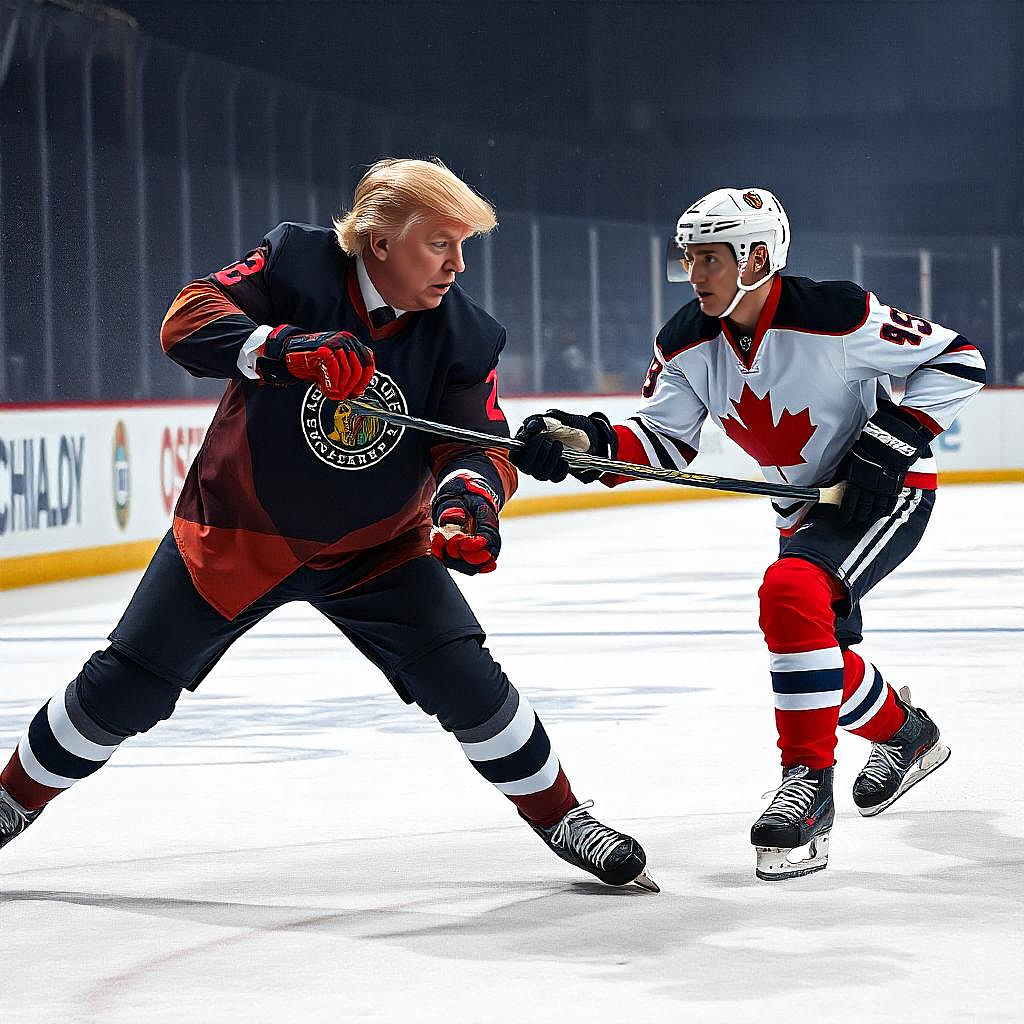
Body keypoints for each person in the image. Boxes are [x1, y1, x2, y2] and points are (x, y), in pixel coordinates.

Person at [0, 158, 657, 893]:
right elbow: (186, 321)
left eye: (464, 245)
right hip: (239, 530)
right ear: (379, 239)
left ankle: (564, 816)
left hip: (375, 548)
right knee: (126, 690)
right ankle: (8, 802)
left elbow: (476, 444)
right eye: (440, 242)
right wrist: (285, 348)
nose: (457, 264)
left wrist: (468, 503)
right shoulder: (296, 262)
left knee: (468, 681)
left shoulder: (466, 334)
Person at [510, 187, 986, 881]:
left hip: (882, 496)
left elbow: (958, 360)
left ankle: (807, 792)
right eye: (689, 259)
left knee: (789, 594)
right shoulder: (684, 340)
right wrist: (586, 442)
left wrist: (894, 437)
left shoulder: (836, 312)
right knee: (812, 650)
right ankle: (908, 735)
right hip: (804, 511)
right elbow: (666, 441)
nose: (693, 273)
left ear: (757, 256)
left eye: (709, 258)